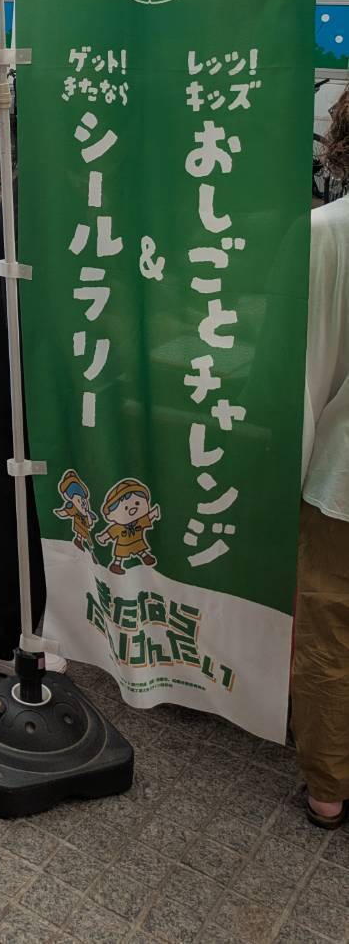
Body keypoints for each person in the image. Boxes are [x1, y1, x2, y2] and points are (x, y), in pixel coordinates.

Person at [0, 202, 63, 676]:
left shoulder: (45, 187)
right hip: (10, 383)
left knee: (21, 510)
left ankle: (20, 626)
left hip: (18, 377)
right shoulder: (39, 196)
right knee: (12, 511)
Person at [294, 86, 349, 827]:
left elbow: (308, 374)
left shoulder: (327, 233)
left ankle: (327, 790)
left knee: (331, 628)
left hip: (341, 477)